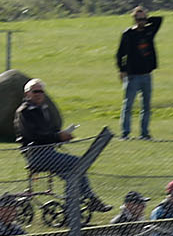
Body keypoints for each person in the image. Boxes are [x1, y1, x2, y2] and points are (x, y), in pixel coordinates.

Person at [16, 79, 107, 210]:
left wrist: (63, 136)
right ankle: (85, 200)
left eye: (41, 91)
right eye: (35, 91)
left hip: (49, 153)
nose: (39, 94)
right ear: (27, 94)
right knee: (78, 163)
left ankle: (73, 207)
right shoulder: (25, 112)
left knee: (72, 174)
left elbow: (50, 132)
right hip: (36, 155)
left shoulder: (43, 109)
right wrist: (58, 137)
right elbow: (34, 136)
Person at [116, 6, 164, 141]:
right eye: (138, 19)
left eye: (143, 19)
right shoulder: (128, 34)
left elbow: (159, 20)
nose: (141, 22)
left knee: (146, 106)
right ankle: (125, 133)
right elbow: (120, 54)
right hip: (132, 75)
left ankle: (144, 133)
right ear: (134, 19)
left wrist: (147, 19)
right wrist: (122, 70)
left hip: (147, 74)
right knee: (128, 106)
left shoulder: (149, 31)